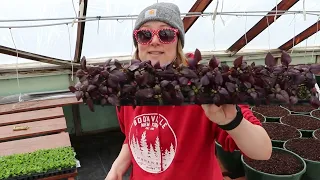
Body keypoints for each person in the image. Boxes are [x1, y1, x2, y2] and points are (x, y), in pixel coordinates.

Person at [105, 2, 272, 180]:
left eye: (165, 34)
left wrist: (232, 120)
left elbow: (263, 151)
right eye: (145, 35)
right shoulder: (127, 89)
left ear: (178, 42)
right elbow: (132, 137)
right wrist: (117, 166)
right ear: (138, 43)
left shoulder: (205, 85)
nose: (154, 41)